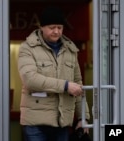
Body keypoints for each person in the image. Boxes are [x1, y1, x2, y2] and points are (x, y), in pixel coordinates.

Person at [17, 6, 90, 141]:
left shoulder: (70, 50)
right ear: (42, 27)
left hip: (62, 124)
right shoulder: (27, 48)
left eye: (60, 27)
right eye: (52, 27)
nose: (56, 31)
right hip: (35, 125)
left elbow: (78, 84)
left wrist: (83, 118)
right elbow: (30, 79)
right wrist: (66, 85)